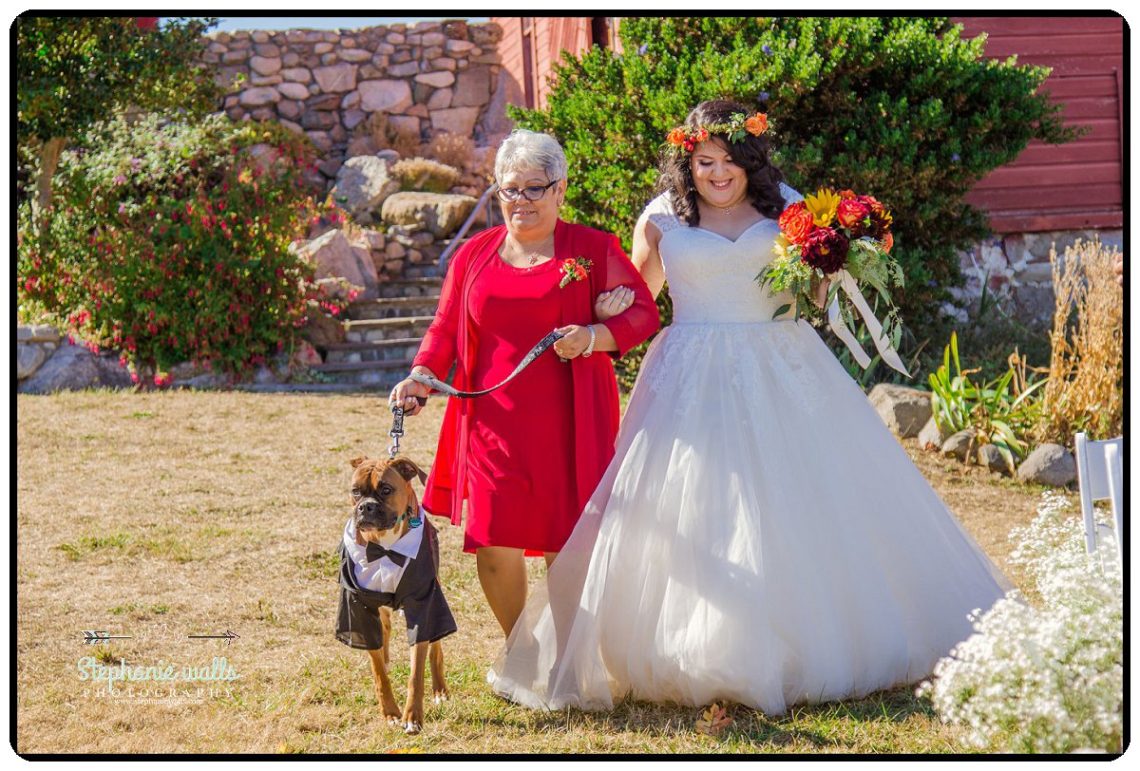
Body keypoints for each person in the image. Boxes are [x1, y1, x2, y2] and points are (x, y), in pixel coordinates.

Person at [488, 100, 1011, 715]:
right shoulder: (661, 217)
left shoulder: (786, 207)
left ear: (751, 160)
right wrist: (595, 312)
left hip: (780, 361)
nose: (717, 173)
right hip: (689, 370)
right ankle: (696, 648)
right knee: (698, 502)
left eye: (730, 161)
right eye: (705, 161)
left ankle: (810, 640)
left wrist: (834, 259)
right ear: (688, 160)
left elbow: (812, 294)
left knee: (797, 497)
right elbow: (638, 300)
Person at [390, 129, 660, 639]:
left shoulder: (592, 249)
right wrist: (421, 375)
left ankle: (568, 656)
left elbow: (644, 313)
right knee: (493, 542)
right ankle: (520, 649)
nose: (522, 200)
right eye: (511, 188)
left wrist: (595, 335)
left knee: (567, 543)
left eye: (536, 188)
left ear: (560, 190)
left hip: (571, 422)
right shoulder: (473, 255)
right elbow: (444, 327)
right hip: (492, 424)